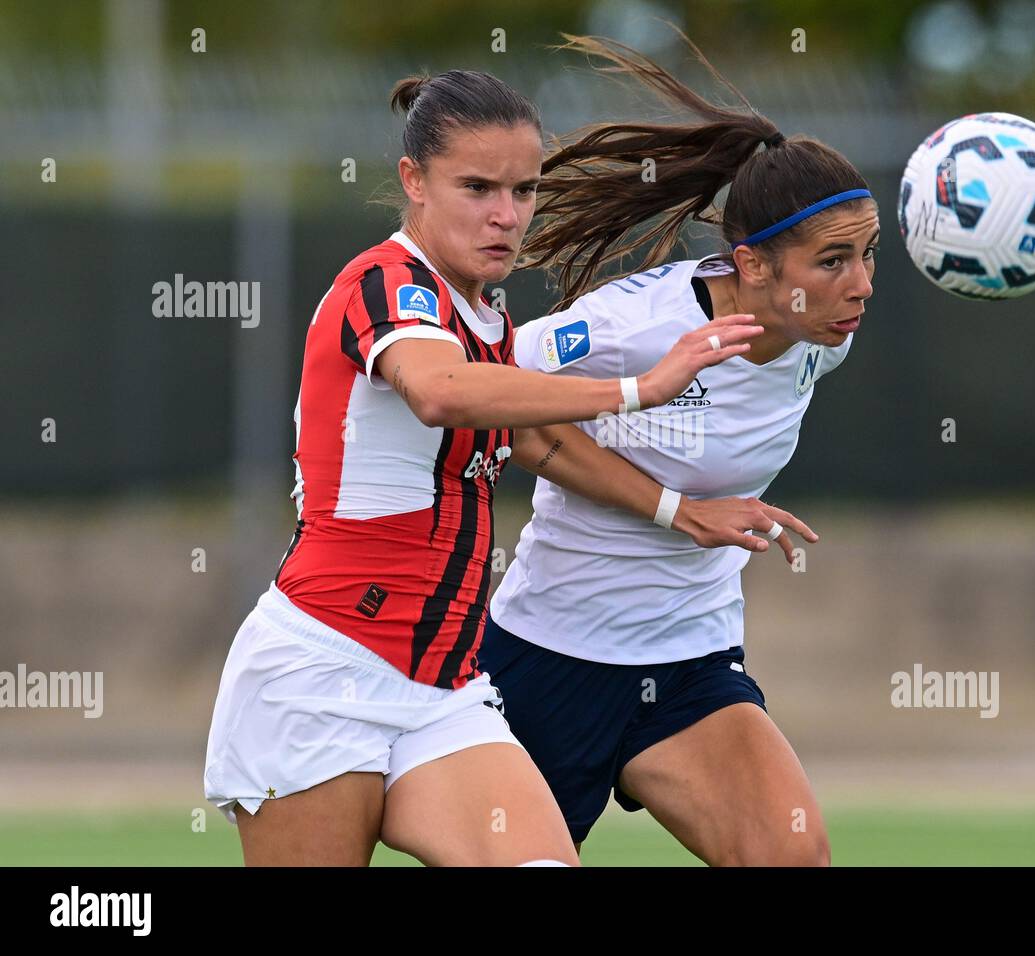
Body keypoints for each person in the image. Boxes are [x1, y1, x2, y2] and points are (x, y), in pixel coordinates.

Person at [202, 67, 810, 867]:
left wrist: (673, 509)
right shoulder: (383, 282)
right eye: (478, 187)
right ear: (413, 182)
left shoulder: (487, 319)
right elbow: (438, 392)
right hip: (323, 671)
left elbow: (536, 438)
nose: (505, 215)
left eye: (523, 191)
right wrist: (640, 389)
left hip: (445, 691)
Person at [479, 34, 879, 865]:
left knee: (791, 855)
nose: (861, 283)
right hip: (555, 655)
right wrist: (677, 510)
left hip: (692, 659)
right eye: (833, 259)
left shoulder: (823, 339)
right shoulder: (639, 325)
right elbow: (497, 405)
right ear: (751, 266)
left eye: (868, 254)